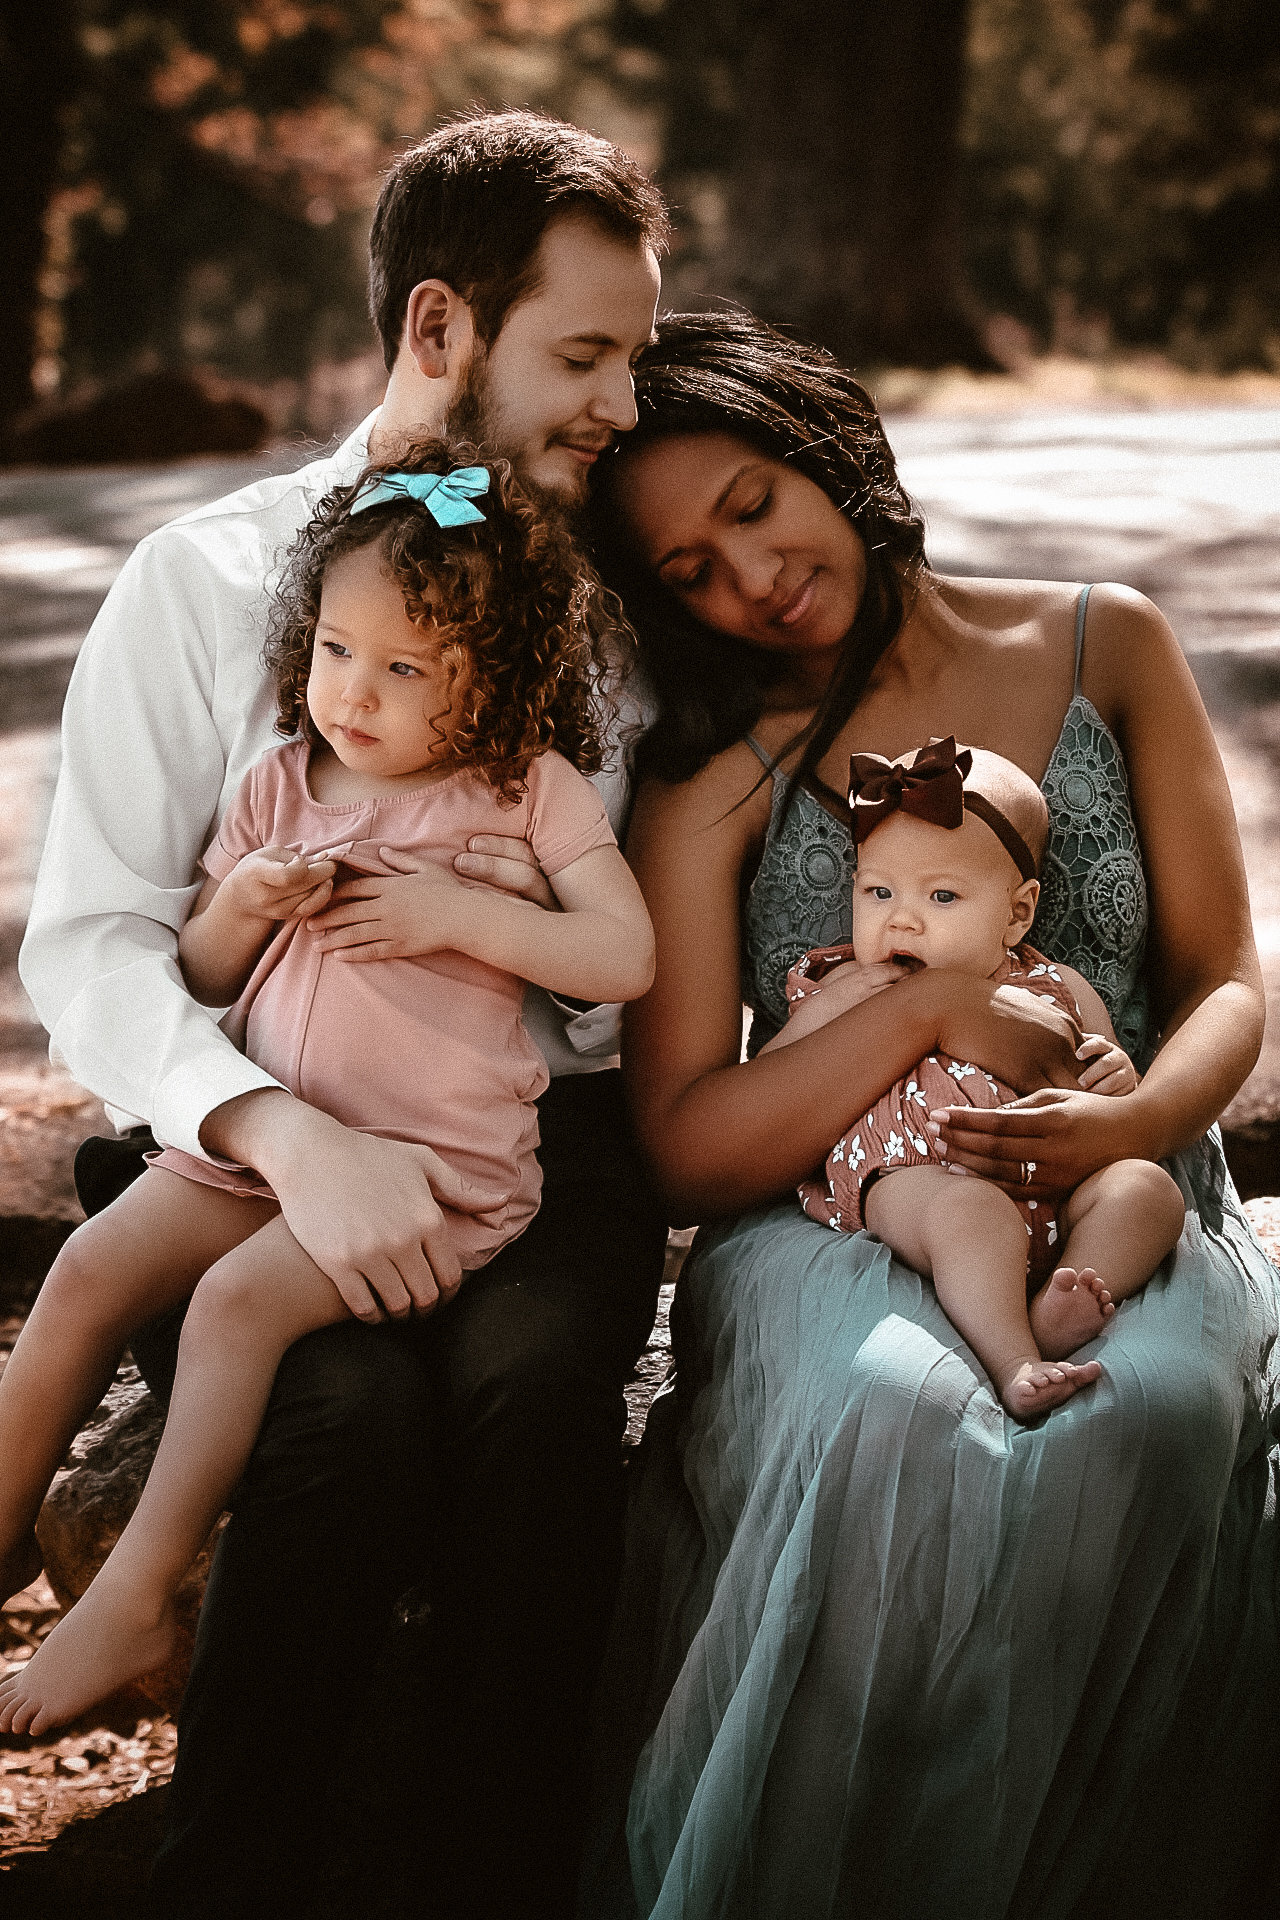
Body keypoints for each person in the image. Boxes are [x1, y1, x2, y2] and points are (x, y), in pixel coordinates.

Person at [17, 112, 669, 1919]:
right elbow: (91, 944)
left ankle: (500, 1871)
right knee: (340, 1421)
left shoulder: (583, 625)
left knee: (539, 1399)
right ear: (441, 327)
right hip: (250, 1136)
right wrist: (280, 1133)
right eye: (585, 356)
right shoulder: (208, 583)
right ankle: (236, 1870)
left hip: (518, 1149)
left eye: (637, 358)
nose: (623, 406)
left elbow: (603, 981)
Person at [578, 311, 1280, 1918]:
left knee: (1154, 1416)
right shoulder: (717, 780)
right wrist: (919, 1009)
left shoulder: (1111, 644)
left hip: (1133, 1191)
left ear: (828, 445)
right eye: (687, 568)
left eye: (753, 504)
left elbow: (1222, 979)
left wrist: (1131, 1126)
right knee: (905, 1416)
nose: (748, 578)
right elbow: (687, 1139)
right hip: (837, 1219)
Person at [0, 443, 655, 1736]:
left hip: (429, 1173)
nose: (353, 694)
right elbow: (192, 969)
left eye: (405, 669)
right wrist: (240, 908)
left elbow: (623, 956)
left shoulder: (530, 797)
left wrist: (461, 914)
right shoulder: (282, 782)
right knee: (85, 1272)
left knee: (235, 1310)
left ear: (494, 680)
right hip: (267, 1147)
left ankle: (136, 1593)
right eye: (334, 651)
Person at [773, 736, 1184, 1420]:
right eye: (878, 891)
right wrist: (820, 1020)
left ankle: (1074, 1296)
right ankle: (1014, 1358)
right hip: (911, 1181)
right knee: (972, 1213)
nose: (900, 917)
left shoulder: (1058, 986)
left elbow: (1111, 1090)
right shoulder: (846, 984)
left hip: (1055, 1186)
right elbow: (777, 1082)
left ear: (1017, 913)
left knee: (1149, 1191)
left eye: (941, 895)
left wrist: (1117, 1080)